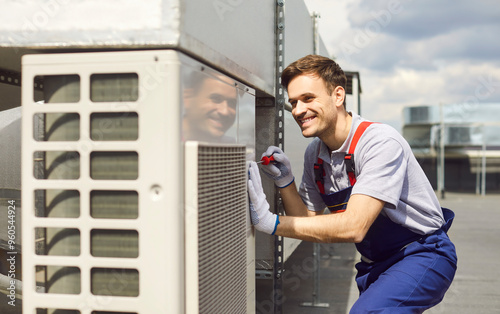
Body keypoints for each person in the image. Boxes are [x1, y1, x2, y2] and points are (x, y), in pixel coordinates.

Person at [248, 54, 457, 313]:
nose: (298, 110)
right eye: (293, 102)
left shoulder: (379, 142)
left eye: (308, 98)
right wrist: (285, 182)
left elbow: (355, 227)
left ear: (338, 96)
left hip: (421, 254)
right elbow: (306, 218)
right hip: (374, 262)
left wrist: (271, 223)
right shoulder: (315, 154)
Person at [182, 69, 238, 143]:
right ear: (188, 98)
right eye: (216, 99)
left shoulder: (230, 145)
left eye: (232, 103)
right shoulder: (163, 139)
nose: (225, 111)